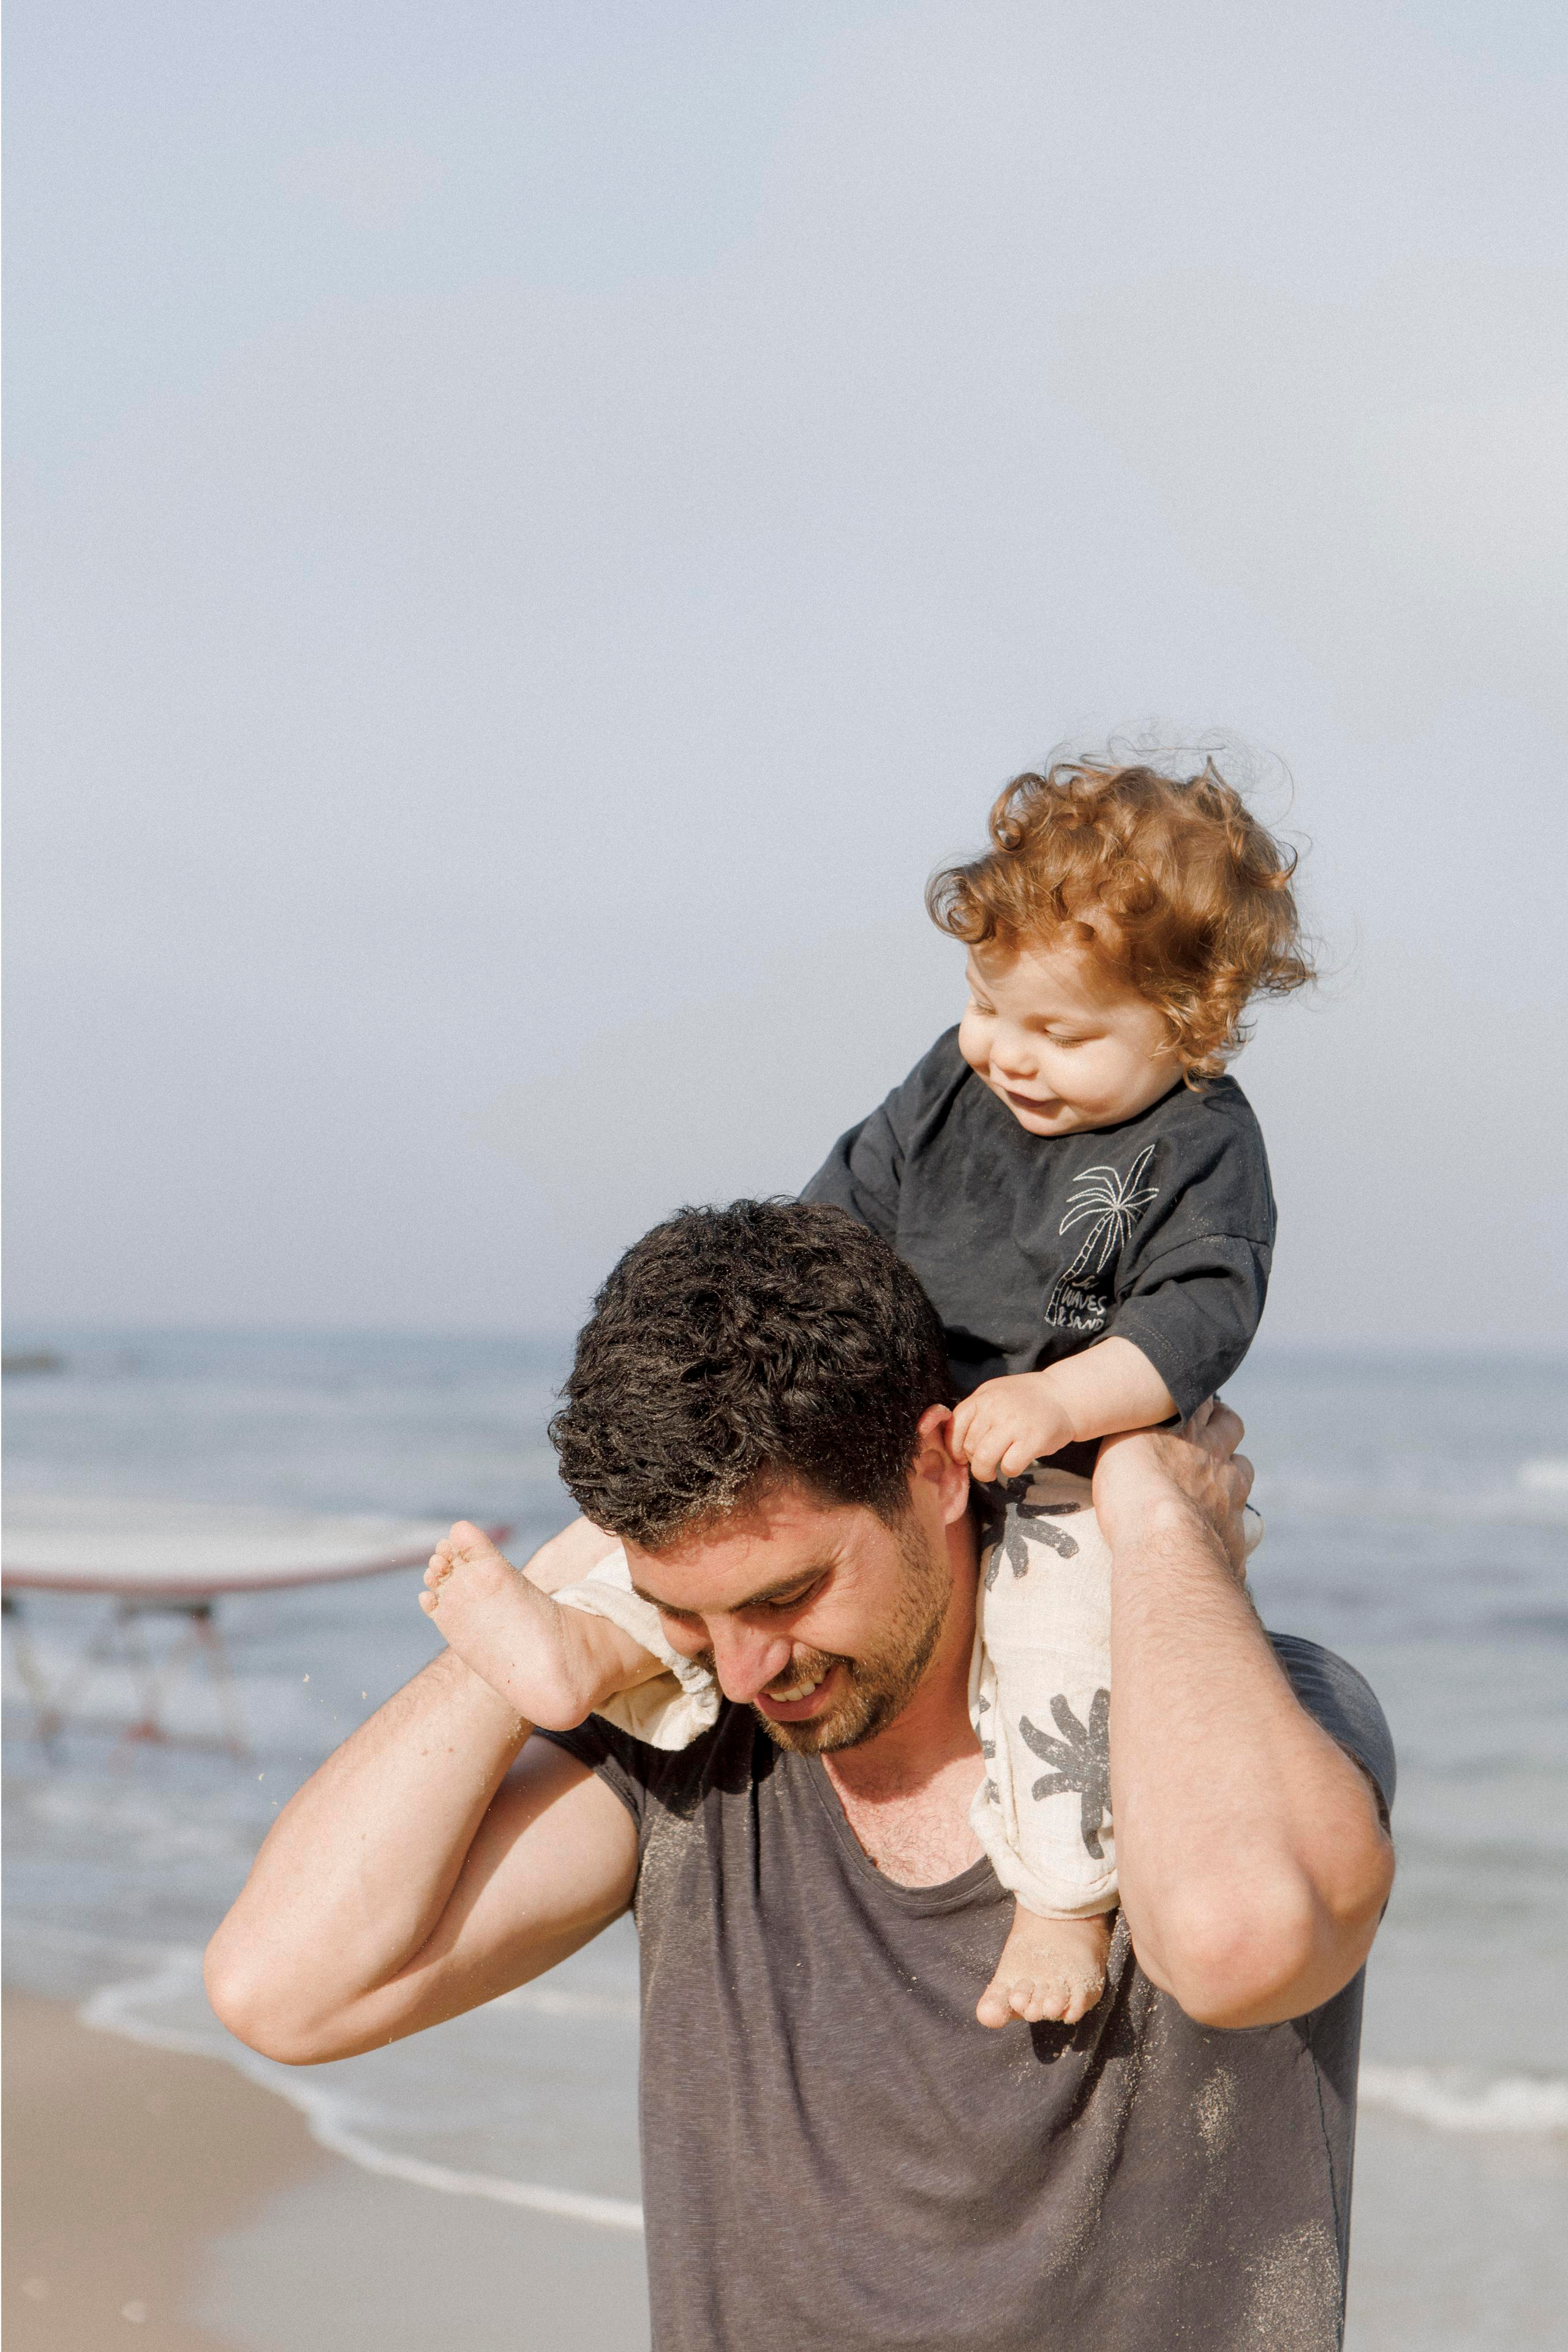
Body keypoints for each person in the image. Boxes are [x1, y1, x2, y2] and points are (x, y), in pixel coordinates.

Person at [206, 1200, 1395, 2352]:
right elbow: (287, 1989)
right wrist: (559, 1604)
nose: (743, 1666)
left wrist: (1152, 1516)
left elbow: (1242, 1941)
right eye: (685, 1607)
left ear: (936, 1470)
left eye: (784, 1594)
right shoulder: (693, 1757)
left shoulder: (1248, 1716)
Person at [421, 755, 1312, 2030]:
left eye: (1058, 1034)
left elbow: (1199, 1315)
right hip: (886, 1434)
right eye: (986, 1006)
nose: (1007, 1053)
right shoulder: (949, 1088)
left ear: (1188, 1026)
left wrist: (1063, 1406)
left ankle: (1059, 1900)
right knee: (728, 1553)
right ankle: (588, 1645)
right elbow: (831, 1226)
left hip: (1059, 1470)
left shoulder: (1202, 1145)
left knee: (1059, 1654)